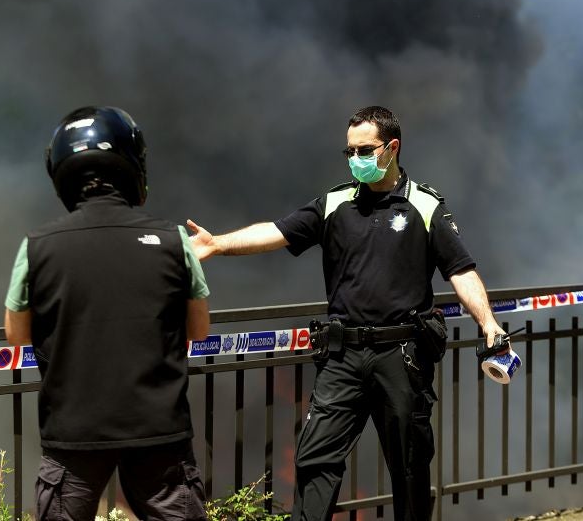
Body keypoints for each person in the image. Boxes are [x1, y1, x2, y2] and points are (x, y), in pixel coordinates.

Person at [187, 105, 507, 521]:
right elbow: (278, 231)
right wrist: (217, 245)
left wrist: (488, 323)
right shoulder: (335, 202)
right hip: (342, 358)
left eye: (365, 149)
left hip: (402, 356)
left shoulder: (425, 207)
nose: (356, 158)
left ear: (392, 148)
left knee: (409, 469)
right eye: (350, 151)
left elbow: (460, 271)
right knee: (314, 460)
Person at [4, 106, 211, 520]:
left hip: (73, 433)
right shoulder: (175, 240)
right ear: (133, 164)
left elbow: (17, 335)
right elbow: (199, 330)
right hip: (158, 430)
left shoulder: (38, 245)